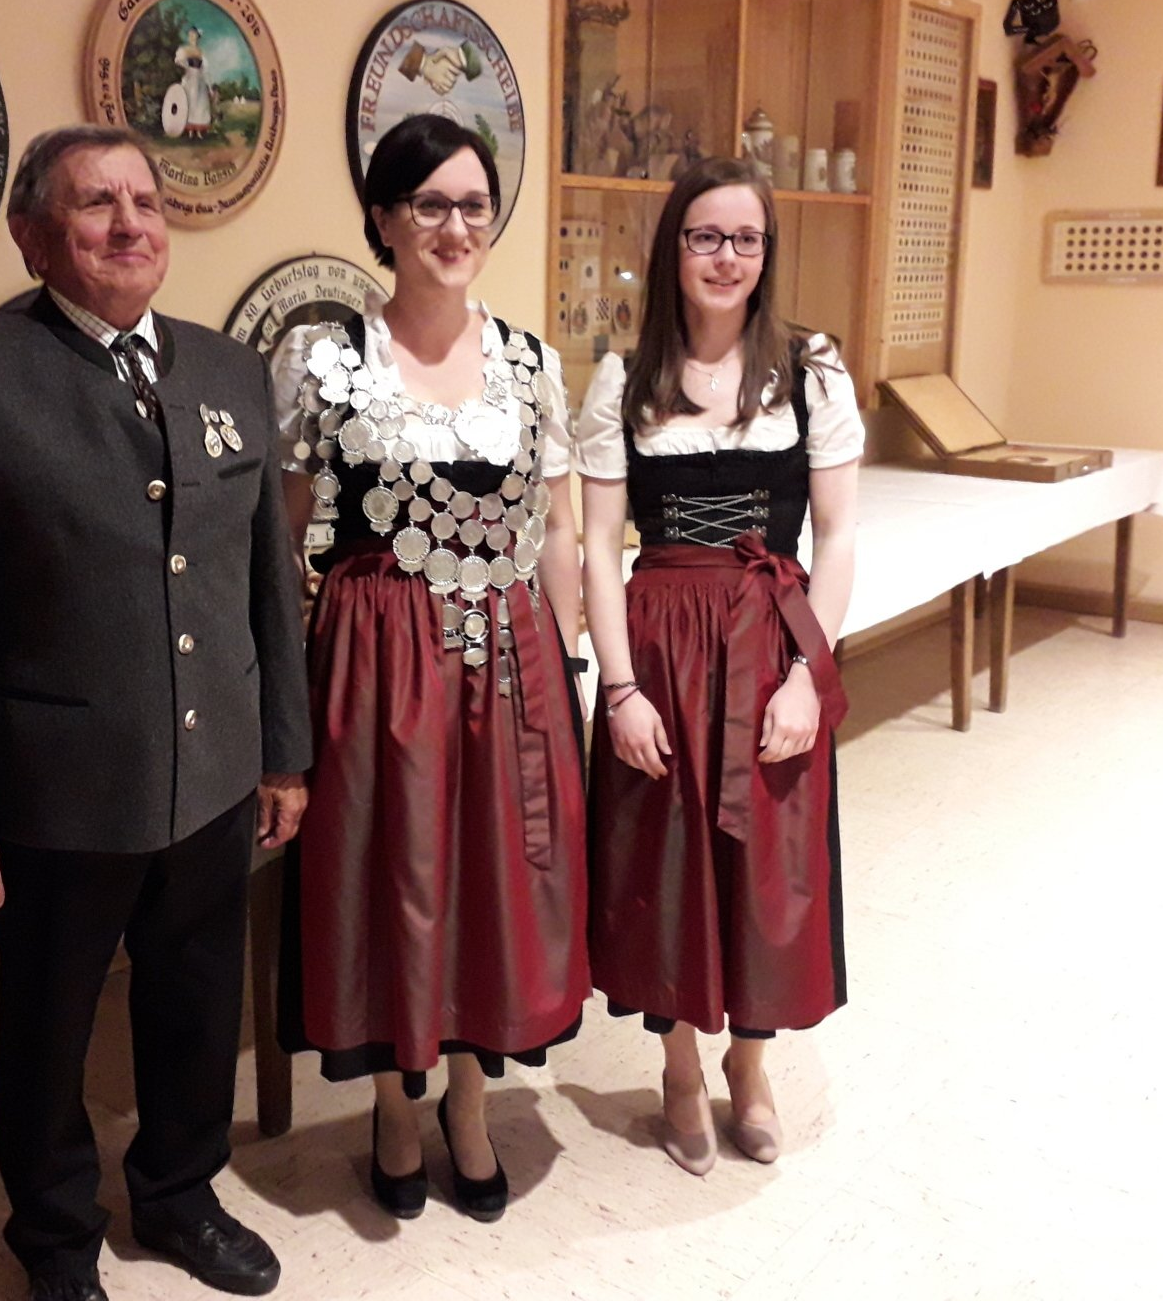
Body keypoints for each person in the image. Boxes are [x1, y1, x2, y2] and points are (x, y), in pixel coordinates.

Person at [0, 124, 311, 1301]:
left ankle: (180, 1192)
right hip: (56, 794)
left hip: (214, 773)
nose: (129, 224)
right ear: (32, 236)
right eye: (95, 204)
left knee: (196, 1002)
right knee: (49, 1029)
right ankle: (57, 1239)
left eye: (146, 201)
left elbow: (265, 582)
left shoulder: (228, 370)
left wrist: (283, 752)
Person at [270, 113, 588, 1223]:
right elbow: (287, 532)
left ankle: (468, 1095)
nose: (455, 227)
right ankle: (393, 1102)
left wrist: (569, 663)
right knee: (393, 876)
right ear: (384, 219)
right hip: (377, 663)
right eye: (430, 204)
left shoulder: (532, 364)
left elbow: (559, 528)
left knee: (491, 880)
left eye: (473, 205)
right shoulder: (327, 364)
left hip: (508, 659)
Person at [577, 157, 861, 1176]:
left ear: (766, 252)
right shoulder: (623, 379)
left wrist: (806, 676)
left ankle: (749, 1059)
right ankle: (679, 1067)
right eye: (705, 235)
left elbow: (837, 536)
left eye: (746, 238)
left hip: (767, 643)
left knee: (765, 862)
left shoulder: (810, 372)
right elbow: (597, 546)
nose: (726, 256)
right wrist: (618, 688)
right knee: (662, 863)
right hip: (657, 647)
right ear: (673, 248)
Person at [174, 28, 214, 140]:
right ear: (188, 37)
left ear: (198, 38)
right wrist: (186, 65)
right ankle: (190, 131)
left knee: (200, 104)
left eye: (195, 36)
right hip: (189, 77)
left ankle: (198, 131)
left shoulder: (201, 52)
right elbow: (178, 61)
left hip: (199, 79)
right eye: (191, 35)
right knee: (189, 102)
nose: (193, 38)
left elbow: (205, 70)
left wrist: (210, 87)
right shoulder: (185, 49)